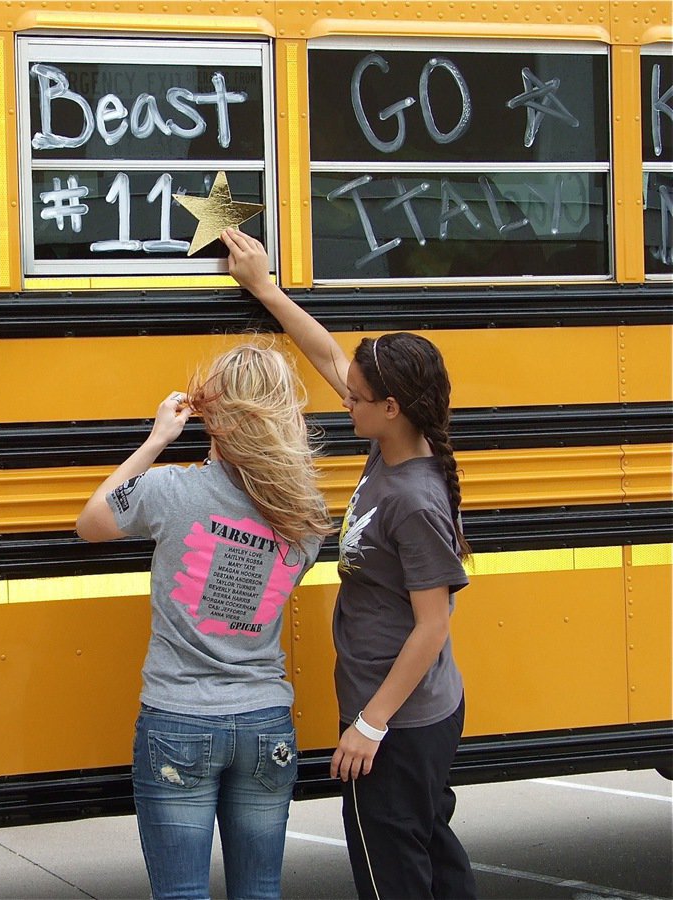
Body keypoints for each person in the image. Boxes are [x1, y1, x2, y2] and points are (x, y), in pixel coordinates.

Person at [221, 227, 477, 900]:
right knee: (430, 855)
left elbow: (433, 626)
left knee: (390, 873)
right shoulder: (389, 445)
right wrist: (265, 288)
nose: (345, 398)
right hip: (408, 715)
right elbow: (329, 354)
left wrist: (369, 725)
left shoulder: (415, 499)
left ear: (391, 408)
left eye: (357, 397)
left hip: (398, 722)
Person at [76, 343, 332, 899]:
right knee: (260, 891)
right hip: (266, 719)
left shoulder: (173, 490)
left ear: (211, 415)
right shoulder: (305, 512)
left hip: (179, 719)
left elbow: (91, 521)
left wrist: (158, 438)